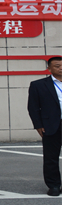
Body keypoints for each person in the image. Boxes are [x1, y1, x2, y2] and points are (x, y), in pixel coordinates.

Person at [27, 56, 62, 196]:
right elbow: (33, 107)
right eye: (57, 66)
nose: (61, 68)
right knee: (51, 158)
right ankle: (54, 185)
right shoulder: (38, 85)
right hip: (51, 124)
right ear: (49, 68)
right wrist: (38, 125)